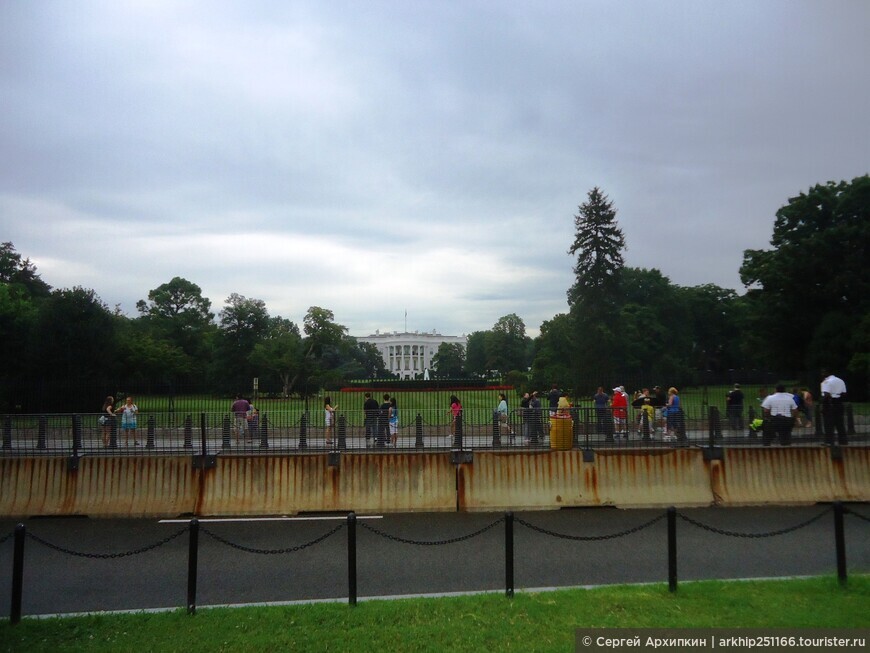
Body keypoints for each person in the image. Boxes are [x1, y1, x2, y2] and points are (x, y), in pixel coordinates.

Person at [820, 371, 848, 445]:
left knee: (828, 424)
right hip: (839, 403)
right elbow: (844, 393)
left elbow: (826, 395)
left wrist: (823, 404)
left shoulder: (825, 382)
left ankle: (829, 441)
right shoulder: (840, 380)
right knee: (840, 423)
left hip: (829, 404)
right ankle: (843, 441)